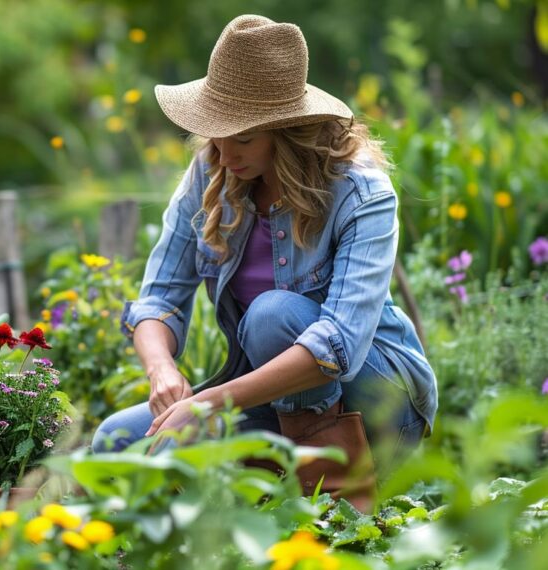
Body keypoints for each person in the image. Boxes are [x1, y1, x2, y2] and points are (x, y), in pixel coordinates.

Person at [91, 14, 438, 507]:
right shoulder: (212, 174)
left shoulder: (361, 193)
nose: (224, 152)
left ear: (287, 131)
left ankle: (341, 506)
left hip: (378, 405)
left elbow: (337, 346)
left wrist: (208, 403)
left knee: (274, 315)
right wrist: (161, 370)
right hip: (270, 402)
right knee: (115, 442)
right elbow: (158, 299)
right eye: (216, 133)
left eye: (243, 137)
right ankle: (274, 489)